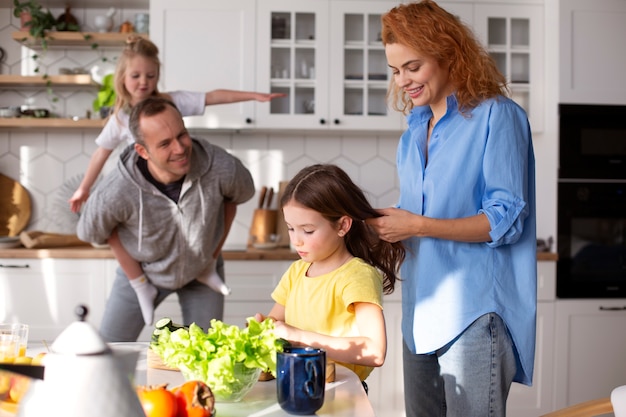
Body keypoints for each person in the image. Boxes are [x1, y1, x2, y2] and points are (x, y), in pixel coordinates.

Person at [365, 1, 537, 416]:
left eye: (413, 66)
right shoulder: (412, 133)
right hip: (419, 314)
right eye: (395, 70)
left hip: (474, 314)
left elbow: (504, 221)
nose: (403, 80)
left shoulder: (498, 116)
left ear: (448, 54)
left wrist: (418, 224)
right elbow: (415, 220)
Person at [76, 96, 255, 342]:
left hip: (202, 269)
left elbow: (236, 197)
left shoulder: (221, 166)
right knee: (109, 349)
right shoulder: (116, 189)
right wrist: (137, 280)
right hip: (144, 271)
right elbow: (92, 232)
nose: (180, 148)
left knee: (209, 356)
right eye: (165, 144)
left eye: (182, 135)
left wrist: (210, 258)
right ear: (142, 151)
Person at [69, 35, 282, 214]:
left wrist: (254, 96)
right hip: (144, 192)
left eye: (150, 76)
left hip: (180, 188)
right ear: (122, 78)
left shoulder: (172, 101)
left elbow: (212, 97)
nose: (144, 82)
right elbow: (101, 153)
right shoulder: (120, 119)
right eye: (136, 76)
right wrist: (84, 189)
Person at [255, 164, 405, 386]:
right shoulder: (297, 271)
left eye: (307, 230)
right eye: (290, 228)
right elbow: (276, 322)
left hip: (341, 390)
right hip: (296, 383)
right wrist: (264, 327)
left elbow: (375, 351)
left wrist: (298, 336)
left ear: (342, 225)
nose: (296, 240)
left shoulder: (357, 276)